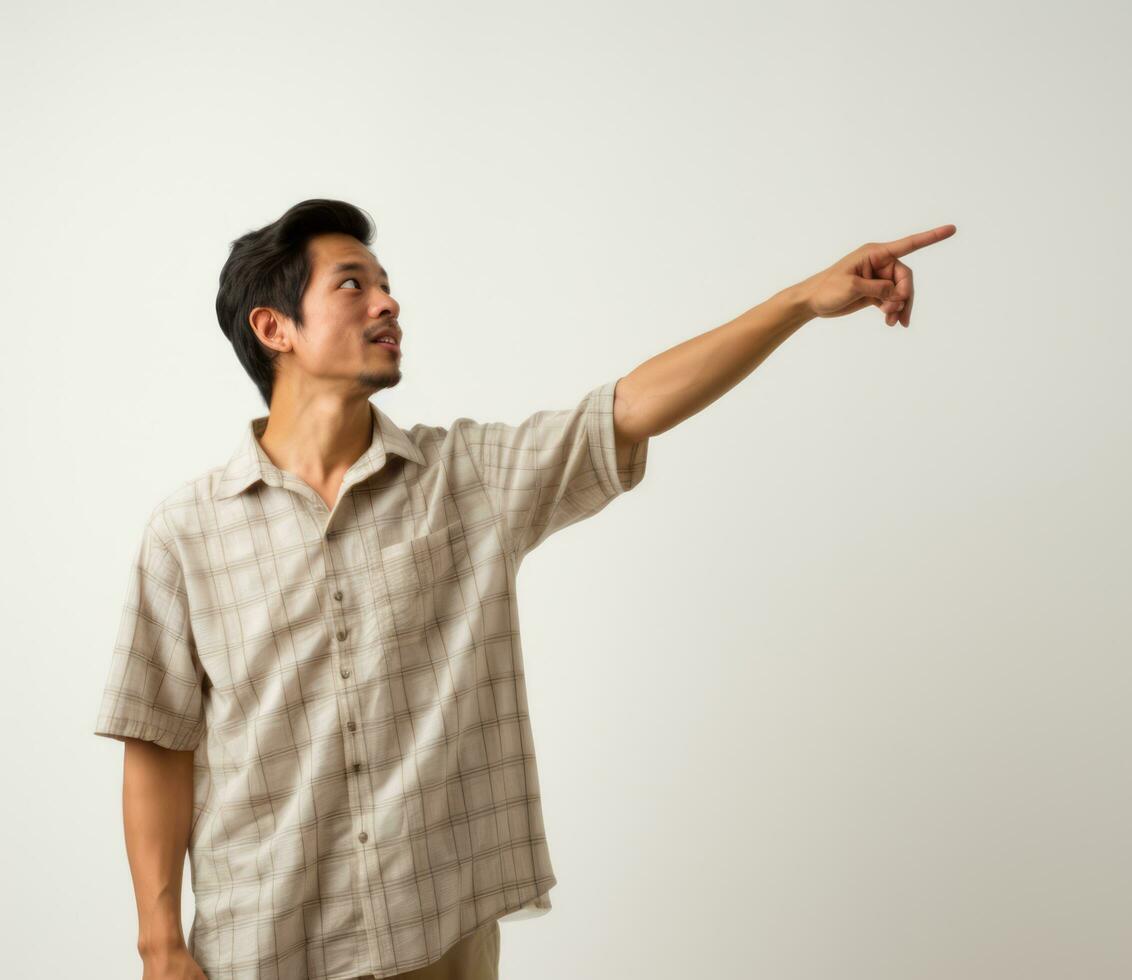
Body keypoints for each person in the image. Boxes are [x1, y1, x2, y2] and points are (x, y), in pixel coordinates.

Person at [94, 198, 954, 978]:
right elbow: (157, 742)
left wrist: (800, 301)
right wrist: (160, 944)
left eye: (387, 286)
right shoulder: (188, 532)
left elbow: (628, 407)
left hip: (437, 935)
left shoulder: (464, 478)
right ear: (274, 328)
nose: (388, 304)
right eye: (353, 286)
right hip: (264, 946)